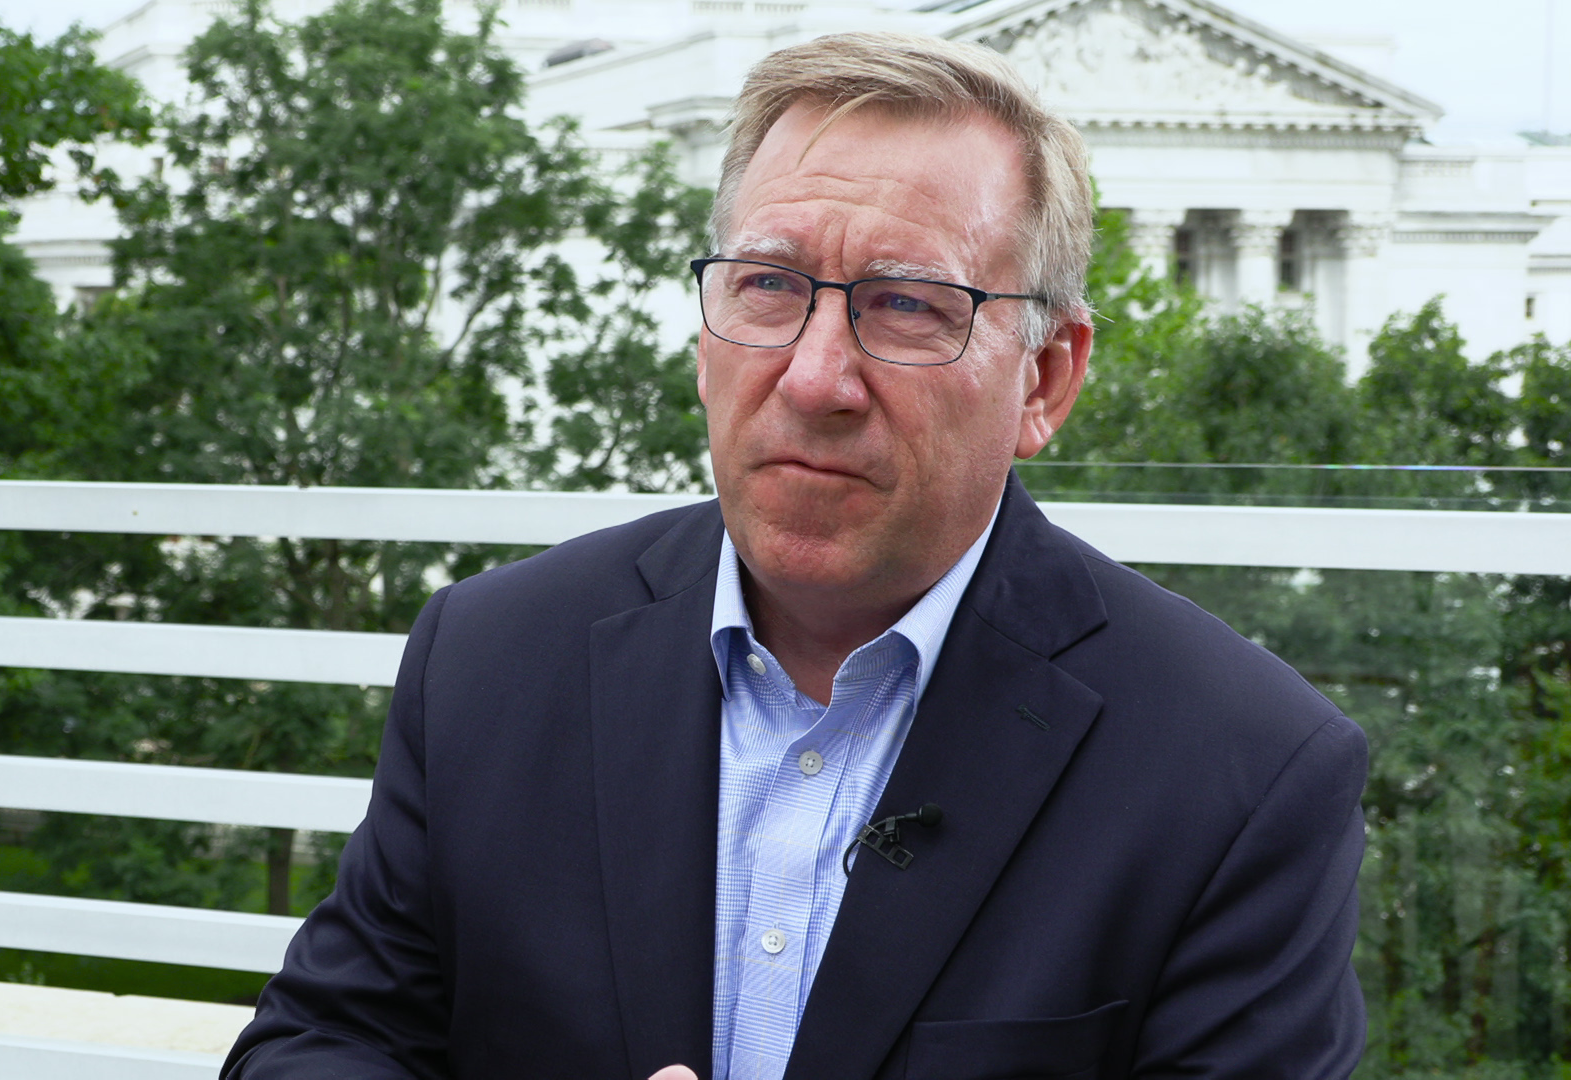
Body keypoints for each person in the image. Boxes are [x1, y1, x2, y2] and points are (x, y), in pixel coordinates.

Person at [223, 31, 1368, 1080]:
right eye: (768, 286)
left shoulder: (1242, 774)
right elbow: (326, 1042)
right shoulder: (489, 659)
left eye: (908, 305)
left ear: (1047, 380)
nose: (816, 379)